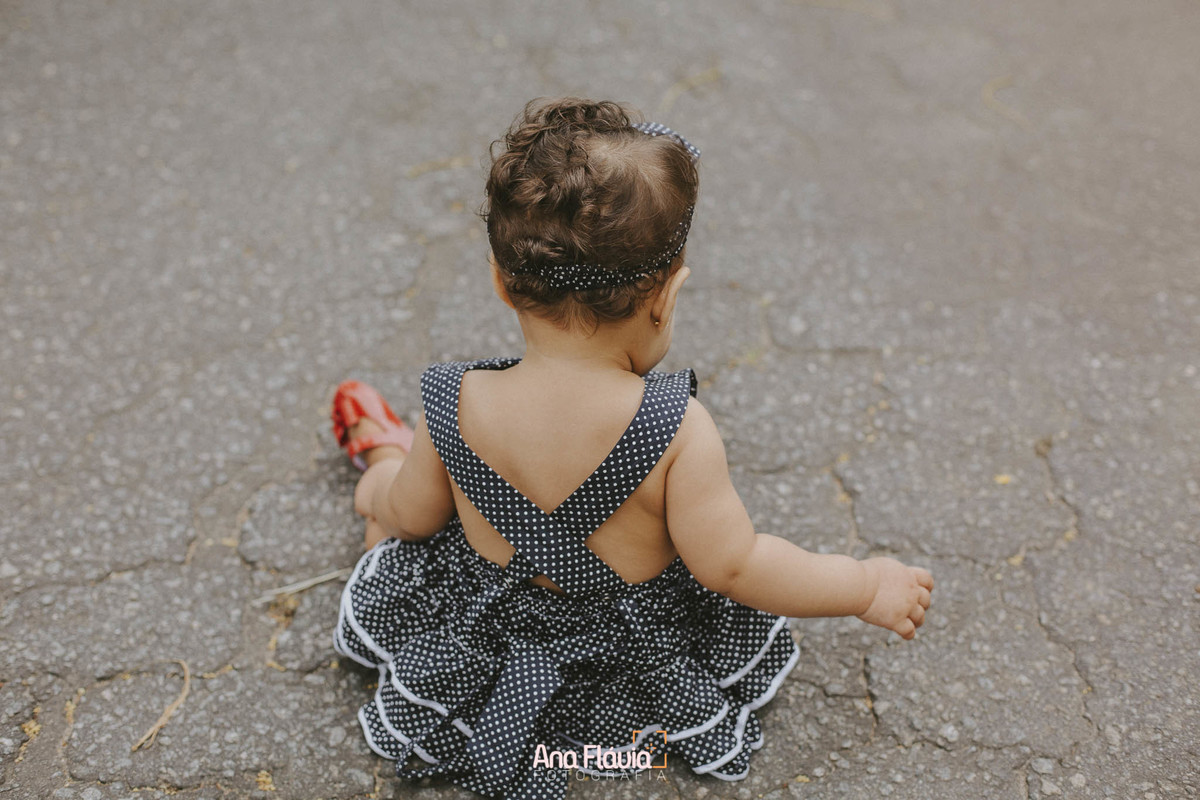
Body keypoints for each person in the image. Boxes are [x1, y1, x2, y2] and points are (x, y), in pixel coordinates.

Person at [330, 98, 933, 800]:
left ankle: (378, 450)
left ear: (501, 282)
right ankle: (596, 752)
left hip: (489, 646)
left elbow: (413, 515)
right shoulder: (677, 431)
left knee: (392, 533)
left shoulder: (454, 403)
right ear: (667, 296)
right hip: (618, 667)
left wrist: (379, 487)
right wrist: (864, 586)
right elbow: (735, 566)